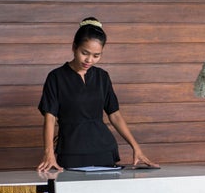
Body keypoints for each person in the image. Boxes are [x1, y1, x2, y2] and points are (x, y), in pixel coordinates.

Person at [36, 17, 158, 173]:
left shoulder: (102, 77)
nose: (89, 60)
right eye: (84, 53)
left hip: (104, 151)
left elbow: (115, 115)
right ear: (74, 47)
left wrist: (136, 147)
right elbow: (50, 117)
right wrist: (49, 153)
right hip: (71, 152)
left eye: (96, 55)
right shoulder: (56, 77)